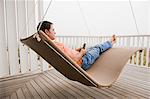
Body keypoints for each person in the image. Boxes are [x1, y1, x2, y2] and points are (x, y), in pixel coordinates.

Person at [37, 21, 116, 70]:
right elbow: (72, 61)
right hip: (84, 61)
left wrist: (78, 50)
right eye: (53, 30)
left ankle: (109, 43)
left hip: (80, 57)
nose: (55, 32)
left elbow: (67, 56)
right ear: (47, 31)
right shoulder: (55, 46)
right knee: (97, 48)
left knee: (92, 47)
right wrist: (81, 53)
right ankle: (111, 42)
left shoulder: (51, 46)